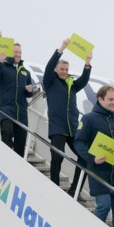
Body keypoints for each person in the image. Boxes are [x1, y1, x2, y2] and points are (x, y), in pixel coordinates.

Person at [74, 85, 114, 227]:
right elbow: (78, 142)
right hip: (99, 172)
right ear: (100, 99)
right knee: (104, 205)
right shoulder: (89, 119)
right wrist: (91, 158)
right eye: (110, 99)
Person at [43, 38, 93, 197]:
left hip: (72, 127)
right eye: (62, 69)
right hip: (58, 128)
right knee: (57, 157)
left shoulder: (72, 84)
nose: (64, 71)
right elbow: (49, 67)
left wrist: (87, 63)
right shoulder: (50, 82)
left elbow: (83, 81)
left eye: (66, 69)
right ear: (56, 70)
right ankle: (54, 187)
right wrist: (61, 49)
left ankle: (74, 190)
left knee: (85, 158)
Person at [0, 43, 34, 157]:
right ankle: (5, 159)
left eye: (20, 52)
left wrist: (30, 90)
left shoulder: (25, 72)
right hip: (7, 109)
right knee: (7, 132)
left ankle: (16, 168)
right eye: (16, 52)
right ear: (10, 53)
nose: (18, 54)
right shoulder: (3, 66)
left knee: (21, 143)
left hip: (22, 112)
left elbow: (29, 94)